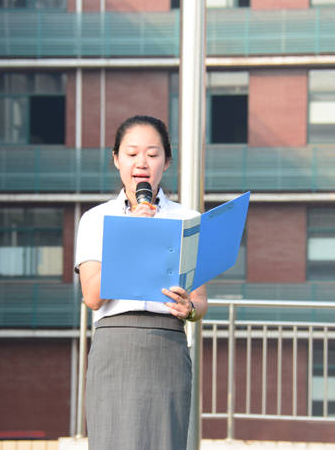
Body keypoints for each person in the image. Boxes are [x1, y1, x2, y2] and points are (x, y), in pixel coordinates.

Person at [75, 115, 208, 450]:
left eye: (152, 154)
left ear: (167, 161)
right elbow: (92, 297)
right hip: (115, 344)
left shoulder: (187, 219)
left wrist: (190, 309)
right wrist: (130, 235)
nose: (142, 163)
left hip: (168, 346)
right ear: (116, 159)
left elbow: (200, 301)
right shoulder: (95, 219)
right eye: (132, 153)